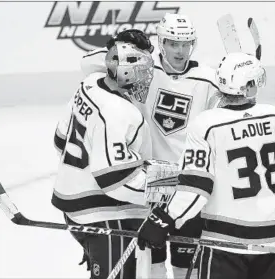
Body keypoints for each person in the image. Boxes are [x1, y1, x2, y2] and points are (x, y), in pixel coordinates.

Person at [137, 52, 275, 279]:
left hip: (225, 243)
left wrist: (164, 219)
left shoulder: (207, 125)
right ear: (248, 87)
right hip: (273, 242)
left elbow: (196, 187)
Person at [80, 13, 219, 279]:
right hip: (148, 185)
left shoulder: (209, 79)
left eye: (186, 43)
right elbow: (88, 62)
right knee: (151, 265)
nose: (181, 50)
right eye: (173, 43)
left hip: (185, 187)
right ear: (161, 43)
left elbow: (223, 123)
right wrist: (119, 43)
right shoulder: (140, 65)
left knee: (185, 267)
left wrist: (233, 81)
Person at [51, 34, 155, 279]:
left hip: (71, 205)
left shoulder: (89, 83)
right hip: (101, 215)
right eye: (141, 70)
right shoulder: (120, 113)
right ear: (126, 72)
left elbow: (59, 141)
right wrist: (162, 192)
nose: (147, 76)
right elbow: (115, 181)